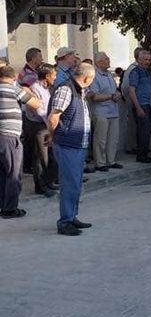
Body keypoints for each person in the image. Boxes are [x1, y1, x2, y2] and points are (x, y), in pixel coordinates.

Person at [48, 62, 95, 235]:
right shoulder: (66, 89)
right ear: (87, 77)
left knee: (75, 184)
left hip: (78, 144)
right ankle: (65, 222)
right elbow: (53, 117)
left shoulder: (80, 91)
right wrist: (55, 137)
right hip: (67, 144)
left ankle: (72, 216)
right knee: (69, 184)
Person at [0, 64, 40, 218]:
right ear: (14, 77)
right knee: (13, 174)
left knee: (2, 174)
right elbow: (35, 104)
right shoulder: (13, 89)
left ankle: (3, 205)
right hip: (10, 136)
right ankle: (10, 209)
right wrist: (27, 91)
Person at [23, 64, 58, 197]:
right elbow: (39, 111)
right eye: (53, 75)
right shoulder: (35, 88)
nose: (55, 77)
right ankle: (40, 186)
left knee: (50, 156)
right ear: (47, 76)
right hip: (38, 126)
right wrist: (50, 122)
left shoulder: (47, 88)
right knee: (40, 157)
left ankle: (49, 181)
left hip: (46, 125)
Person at [87, 52, 121, 172]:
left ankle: (111, 161)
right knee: (100, 139)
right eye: (106, 59)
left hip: (113, 110)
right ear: (99, 62)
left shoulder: (109, 75)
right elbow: (94, 96)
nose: (108, 60)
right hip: (101, 111)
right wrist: (111, 96)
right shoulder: (94, 76)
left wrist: (117, 94)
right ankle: (100, 163)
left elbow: (114, 90)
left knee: (113, 138)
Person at [127, 49, 151, 163]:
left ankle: (145, 153)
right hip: (141, 105)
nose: (148, 62)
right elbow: (132, 90)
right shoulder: (135, 72)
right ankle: (141, 156)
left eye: (149, 59)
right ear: (139, 59)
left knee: (147, 131)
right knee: (143, 131)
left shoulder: (146, 72)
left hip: (148, 104)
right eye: (145, 59)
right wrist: (138, 107)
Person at [120, 46, 142, 153]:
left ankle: (135, 146)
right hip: (133, 101)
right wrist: (131, 99)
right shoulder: (133, 69)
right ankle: (131, 147)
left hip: (137, 100)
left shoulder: (139, 68)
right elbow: (125, 87)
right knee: (132, 125)